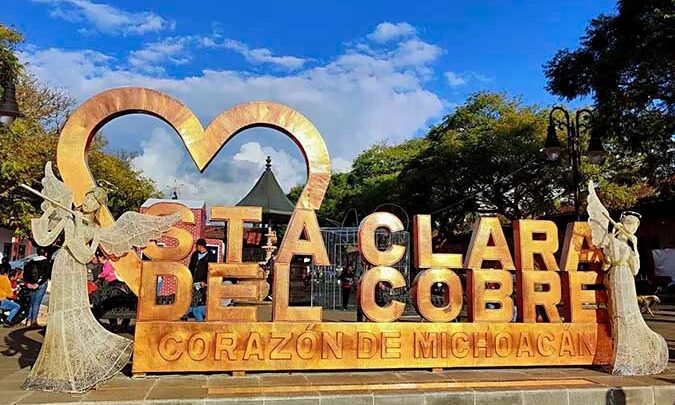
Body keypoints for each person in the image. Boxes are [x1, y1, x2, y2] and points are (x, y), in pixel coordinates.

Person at [187, 239, 211, 321]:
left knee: (200, 298)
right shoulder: (195, 254)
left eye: (197, 246)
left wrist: (205, 281)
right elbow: (190, 266)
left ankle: (199, 317)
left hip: (202, 282)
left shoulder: (209, 256)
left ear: (201, 246)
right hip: (193, 280)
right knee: (191, 298)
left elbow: (209, 270)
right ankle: (190, 315)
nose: (196, 248)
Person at [23, 255, 50, 327]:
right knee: (36, 303)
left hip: (30, 284)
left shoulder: (30, 262)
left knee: (31, 303)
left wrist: (28, 283)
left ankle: (28, 321)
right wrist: (39, 284)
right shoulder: (45, 262)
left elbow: (25, 274)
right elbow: (46, 275)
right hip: (40, 284)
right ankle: (34, 321)